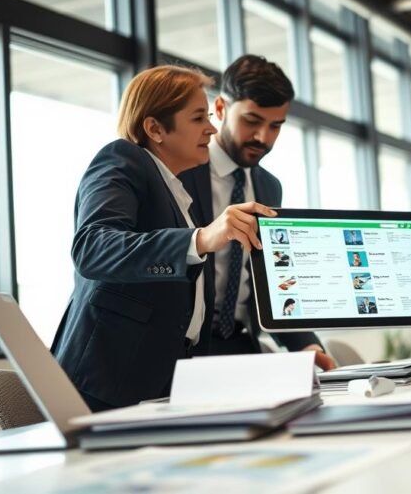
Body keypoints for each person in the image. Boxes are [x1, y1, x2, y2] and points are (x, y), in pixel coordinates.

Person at [51, 65, 275, 412]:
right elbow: (93, 248)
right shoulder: (121, 161)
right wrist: (199, 239)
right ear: (155, 128)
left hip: (168, 383)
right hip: (108, 384)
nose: (212, 128)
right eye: (199, 118)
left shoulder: (176, 189)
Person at [180, 55, 335, 369]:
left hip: (239, 344)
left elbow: (275, 281)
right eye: (252, 120)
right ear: (221, 109)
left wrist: (304, 346)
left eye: (275, 126)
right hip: (183, 348)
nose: (263, 137)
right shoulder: (181, 171)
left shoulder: (269, 187)